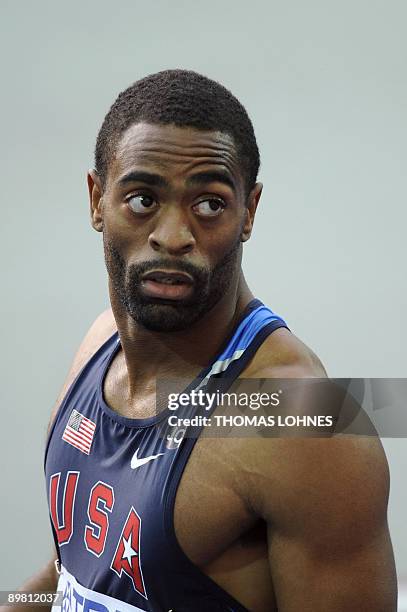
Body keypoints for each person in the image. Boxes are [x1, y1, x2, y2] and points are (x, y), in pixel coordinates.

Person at [13, 70, 396, 611]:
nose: (172, 236)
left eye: (209, 203)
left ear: (250, 212)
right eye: (143, 199)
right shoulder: (100, 345)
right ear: (97, 200)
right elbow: (75, 571)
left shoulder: (309, 427)